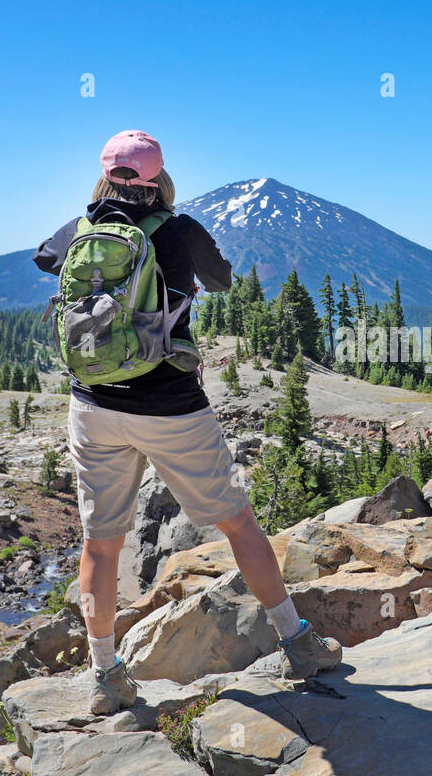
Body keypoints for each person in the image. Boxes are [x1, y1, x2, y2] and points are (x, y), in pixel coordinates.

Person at [33, 130, 342, 714]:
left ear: (104, 175)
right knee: (238, 525)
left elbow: (45, 259)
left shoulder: (79, 231)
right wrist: (183, 278)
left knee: (101, 545)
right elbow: (223, 281)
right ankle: (297, 644)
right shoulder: (176, 230)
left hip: (94, 407)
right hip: (170, 405)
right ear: (158, 178)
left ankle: (106, 677)